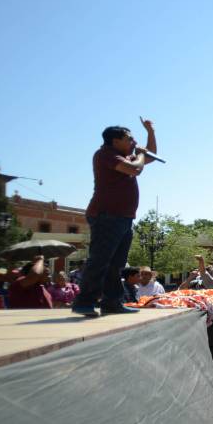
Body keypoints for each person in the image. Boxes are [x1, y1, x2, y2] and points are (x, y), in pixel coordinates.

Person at [73, 119, 158, 317]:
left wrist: (150, 131)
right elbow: (135, 168)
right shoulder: (105, 155)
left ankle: (112, 302)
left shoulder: (126, 155)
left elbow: (149, 156)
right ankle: (85, 301)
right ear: (115, 140)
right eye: (129, 138)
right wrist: (140, 155)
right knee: (100, 259)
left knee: (117, 264)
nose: (133, 141)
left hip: (123, 218)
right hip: (106, 216)